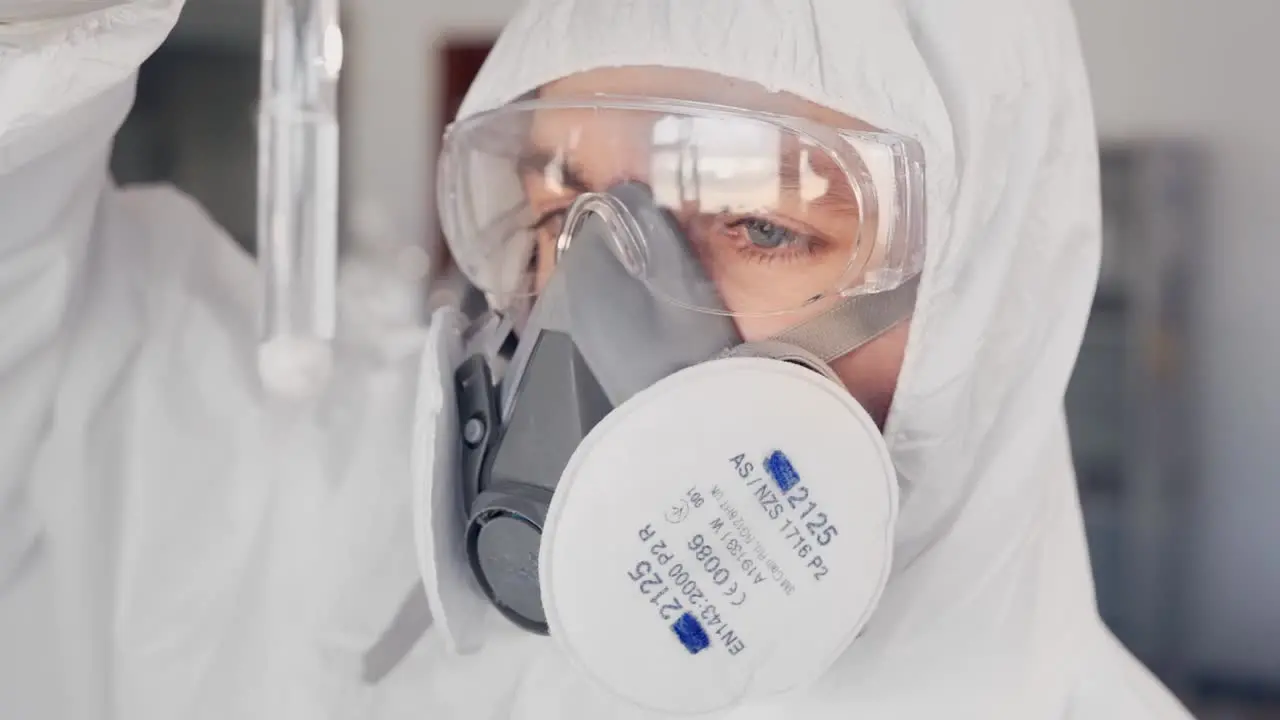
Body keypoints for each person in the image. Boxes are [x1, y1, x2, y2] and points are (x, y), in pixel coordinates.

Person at [0, 1, 1194, 719]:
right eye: (557, 197)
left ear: (985, 302)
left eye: (760, 224)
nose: (593, 301)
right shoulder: (365, 620)